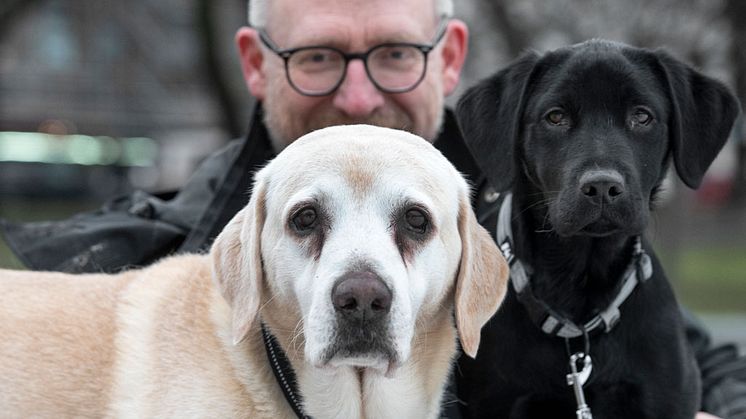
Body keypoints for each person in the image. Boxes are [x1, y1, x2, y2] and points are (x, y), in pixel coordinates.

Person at [1, 0, 744, 417]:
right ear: (257, 65)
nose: (358, 96)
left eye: (394, 54)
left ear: (449, 58)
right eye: (317, 57)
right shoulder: (180, 252)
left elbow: (687, 357)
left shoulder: (534, 229)